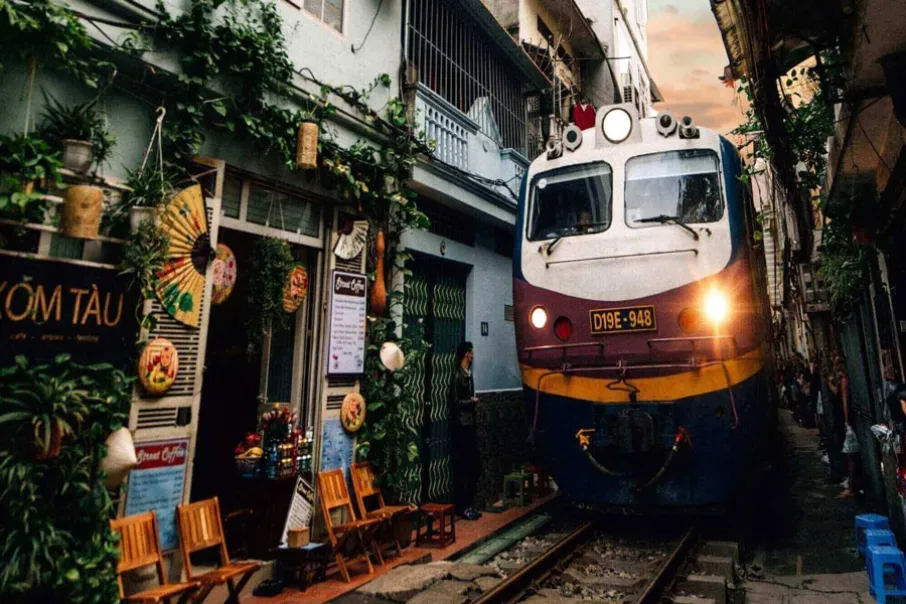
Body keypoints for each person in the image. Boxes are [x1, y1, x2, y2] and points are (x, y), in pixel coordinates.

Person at [450, 341, 481, 520]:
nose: (473, 356)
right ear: (466, 354)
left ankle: (468, 505)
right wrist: (471, 402)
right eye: (471, 352)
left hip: (469, 424)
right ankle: (463, 507)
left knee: (473, 467)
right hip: (462, 426)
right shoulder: (458, 376)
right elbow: (454, 403)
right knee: (464, 467)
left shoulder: (468, 375)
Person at [834, 356, 861, 498]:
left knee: (851, 455)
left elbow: (844, 402)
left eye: (838, 364)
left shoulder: (844, 381)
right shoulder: (846, 380)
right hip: (851, 420)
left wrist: (846, 422)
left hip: (848, 421)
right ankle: (853, 484)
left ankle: (851, 487)